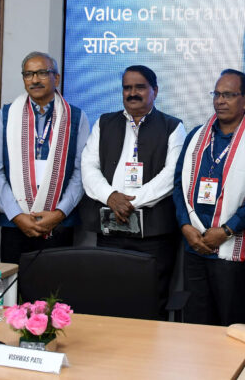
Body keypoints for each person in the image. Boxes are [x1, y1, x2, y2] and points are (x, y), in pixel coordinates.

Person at [81, 65, 186, 316]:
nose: (132, 93)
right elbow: (88, 166)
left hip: (153, 235)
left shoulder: (173, 126)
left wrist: (129, 203)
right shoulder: (105, 123)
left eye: (140, 87)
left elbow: (171, 176)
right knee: (110, 298)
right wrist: (110, 197)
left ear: (155, 91)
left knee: (150, 301)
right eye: (127, 88)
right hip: (110, 231)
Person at [173, 69, 245, 325]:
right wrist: (185, 226)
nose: (220, 101)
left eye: (229, 95)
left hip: (231, 251)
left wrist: (227, 230)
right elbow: (178, 185)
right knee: (196, 324)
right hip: (194, 245)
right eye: (217, 94)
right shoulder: (196, 136)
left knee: (230, 324)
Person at [0, 51, 89, 264]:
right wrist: (16, 215)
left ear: (57, 78)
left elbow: (82, 171)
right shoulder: (5, 116)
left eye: (42, 73)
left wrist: (60, 213)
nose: (34, 80)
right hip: (15, 223)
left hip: (59, 222)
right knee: (13, 288)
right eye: (28, 74)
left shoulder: (76, 117)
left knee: (55, 290)